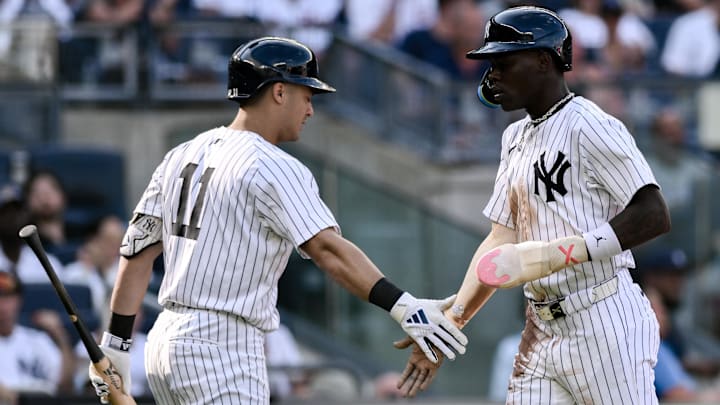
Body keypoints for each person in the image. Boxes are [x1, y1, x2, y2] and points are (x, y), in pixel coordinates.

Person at [87, 36, 467, 404]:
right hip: (223, 346)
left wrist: (116, 345)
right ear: (279, 91)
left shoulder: (181, 154)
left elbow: (136, 253)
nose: (310, 109)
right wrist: (404, 307)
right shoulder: (274, 165)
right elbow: (329, 251)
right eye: (306, 95)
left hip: (164, 342)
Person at [394, 6, 671, 403]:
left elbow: (653, 213)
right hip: (541, 325)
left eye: (504, 62)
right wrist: (453, 321)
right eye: (491, 64)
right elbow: (500, 239)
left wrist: (563, 252)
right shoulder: (515, 137)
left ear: (544, 61)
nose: (493, 75)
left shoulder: (590, 124)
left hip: (601, 314)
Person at [0, 270, 76, 400]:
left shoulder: (37, 340)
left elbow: (65, 385)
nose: (3, 305)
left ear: (18, 300)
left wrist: (60, 336)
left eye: (8, 297)